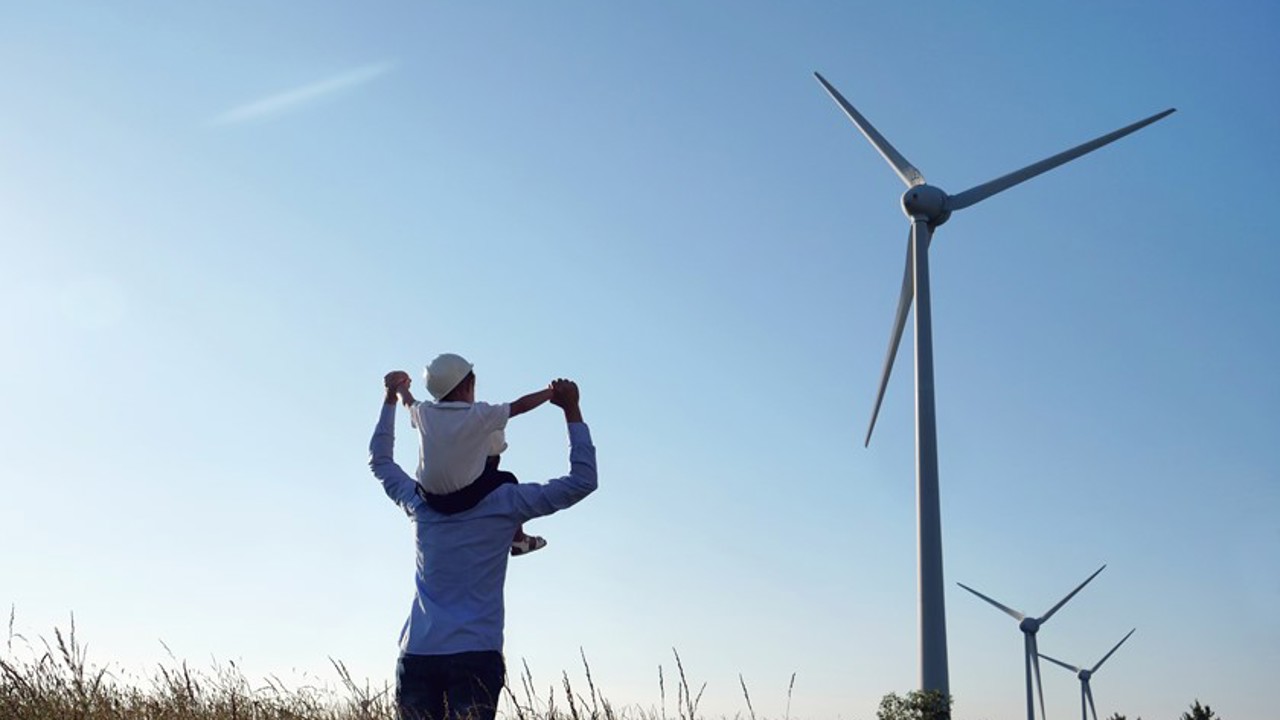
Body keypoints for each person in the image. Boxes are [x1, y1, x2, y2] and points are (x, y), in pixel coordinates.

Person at [369, 374, 597, 720]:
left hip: (418, 651)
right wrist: (572, 410)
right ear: (490, 458)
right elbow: (582, 481)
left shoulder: (419, 502)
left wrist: (390, 398)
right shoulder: (507, 501)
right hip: (476, 653)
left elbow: (380, 461)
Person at [393, 353, 554, 555]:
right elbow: (520, 406)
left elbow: (407, 401)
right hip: (461, 499)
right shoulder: (479, 414)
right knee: (507, 479)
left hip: (427, 498)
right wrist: (551, 393)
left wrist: (399, 386)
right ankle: (518, 539)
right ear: (467, 386)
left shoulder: (424, 412)